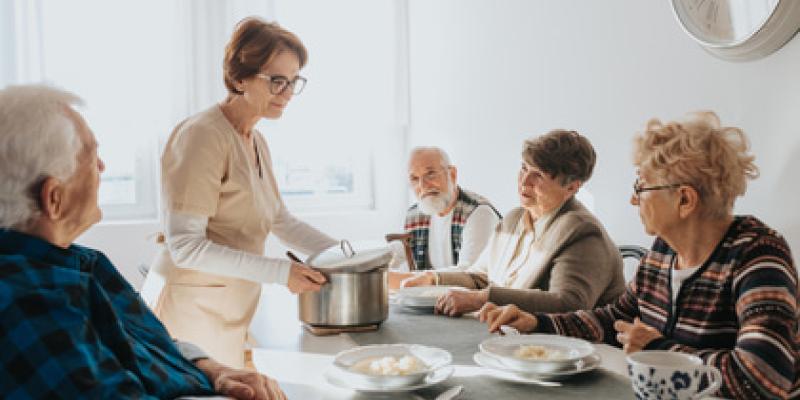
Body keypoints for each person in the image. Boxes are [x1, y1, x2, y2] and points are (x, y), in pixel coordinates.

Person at [478, 112, 799, 399]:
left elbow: (761, 379)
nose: (634, 201)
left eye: (641, 187)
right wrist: (537, 321)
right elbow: (613, 319)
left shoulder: (757, 256)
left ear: (684, 200)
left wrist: (658, 349)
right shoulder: (664, 252)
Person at [0, 84, 286, 399]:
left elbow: (138, 342)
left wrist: (210, 369)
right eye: (91, 156)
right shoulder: (34, 308)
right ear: (54, 198)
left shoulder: (76, 261)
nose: (102, 168)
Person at [151, 17, 338, 368]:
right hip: (192, 313)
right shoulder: (202, 136)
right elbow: (185, 247)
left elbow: (279, 219)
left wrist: (344, 255)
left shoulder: (255, 139)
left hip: (230, 309)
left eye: (293, 81)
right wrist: (283, 273)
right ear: (239, 78)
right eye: (276, 81)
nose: (286, 93)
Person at [400, 130, 625, 317]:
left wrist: (481, 299)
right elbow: (480, 277)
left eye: (539, 175)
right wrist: (433, 278)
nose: (524, 182)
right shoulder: (514, 219)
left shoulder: (582, 231)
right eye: (524, 169)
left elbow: (567, 304)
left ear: (572, 187)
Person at [389, 146, 500, 274]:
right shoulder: (415, 215)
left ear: (452, 174)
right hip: (429, 293)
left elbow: (472, 275)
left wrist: (413, 279)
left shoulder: (479, 213)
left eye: (430, 174)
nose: (423, 186)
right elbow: (398, 253)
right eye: (414, 179)